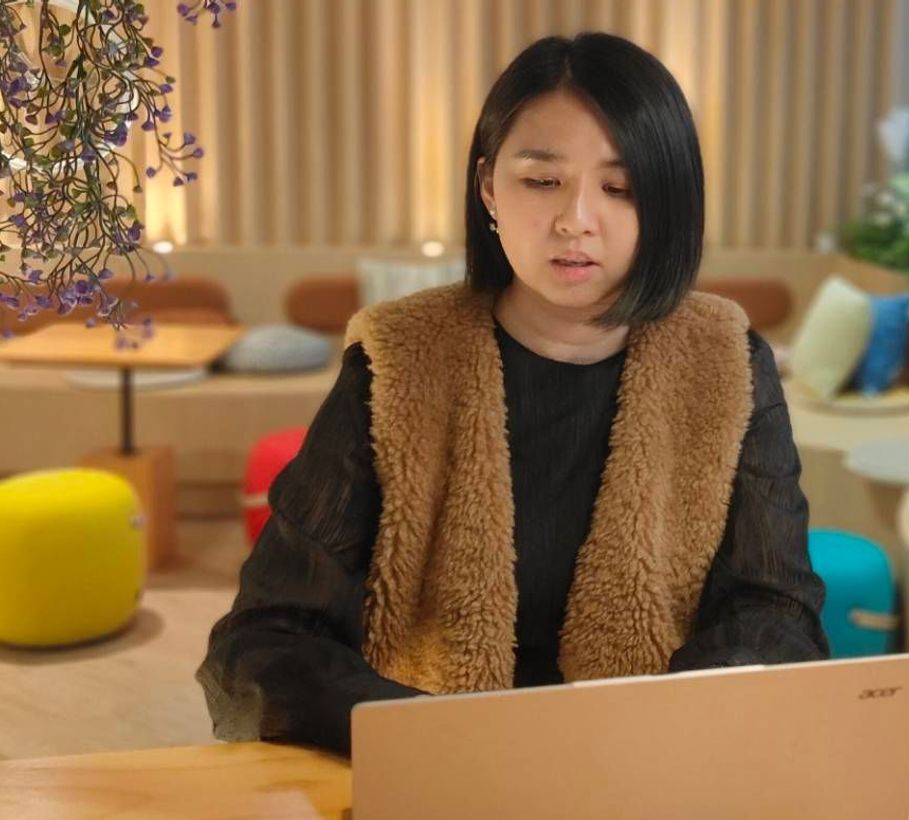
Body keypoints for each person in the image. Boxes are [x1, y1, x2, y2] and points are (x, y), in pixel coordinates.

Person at [196, 32, 828, 757]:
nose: (575, 219)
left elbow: (776, 609)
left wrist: (651, 729)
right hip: (440, 768)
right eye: (542, 180)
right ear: (489, 188)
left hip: (645, 766)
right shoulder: (397, 360)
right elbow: (264, 640)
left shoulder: (725, 360)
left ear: (669, 203)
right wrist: (449, 741)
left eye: (620, 188)